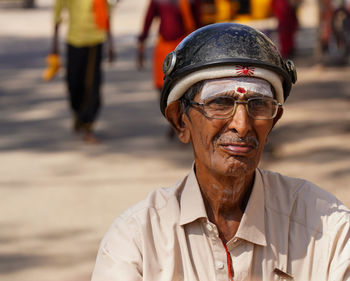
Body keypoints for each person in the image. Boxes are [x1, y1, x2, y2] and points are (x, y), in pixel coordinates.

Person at [91, 23, 350, 280]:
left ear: (273, 122)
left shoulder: (326, 226)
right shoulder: (137, 242)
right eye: (220, 102)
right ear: (181, 121)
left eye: (258, 104)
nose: (241, 124)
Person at [50, 0, 115, 144]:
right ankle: (78, 113)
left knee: (93, 86)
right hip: (74, 40)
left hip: (95, 41)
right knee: (73, 83)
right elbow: (57, 11)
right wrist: (54, 44)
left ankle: (88, 126)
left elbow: (107, 13)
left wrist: (110, 43)